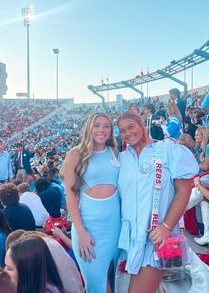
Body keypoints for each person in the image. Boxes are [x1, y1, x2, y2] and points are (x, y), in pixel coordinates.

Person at [116, 111, 199, 293]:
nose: (127, 133)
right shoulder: (122, 159)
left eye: (131, 127)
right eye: (122, 131)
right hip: (132, 238)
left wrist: (167, 227)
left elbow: (184, 190)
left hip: (157, 238)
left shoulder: (168, 149)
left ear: (141, 124)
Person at [62, 113, 121, 293]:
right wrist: (80, 231)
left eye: (106, 126)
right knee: (97, 285)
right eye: (97, 125)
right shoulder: (75, 154)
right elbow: (70, 196)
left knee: (113, 277)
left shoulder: (115, 152)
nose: (101, 130)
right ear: (89, 127)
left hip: (115, 227)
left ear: (111, 130)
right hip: (89, 228)